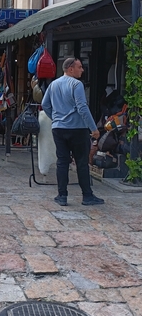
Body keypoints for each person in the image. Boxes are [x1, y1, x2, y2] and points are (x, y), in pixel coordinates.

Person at [41, 57, 104, 206]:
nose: (82, 70)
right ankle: (87, 196)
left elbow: (45, 104)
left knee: (62, 162)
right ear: (70, 69)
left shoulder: (53, 84)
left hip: (58, 128)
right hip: (77, 128)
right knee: (81, 162)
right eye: (80, 67)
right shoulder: (77, 84)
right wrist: (93, 128)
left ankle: (62, 196)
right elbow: (82, 107)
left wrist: (56, 118)